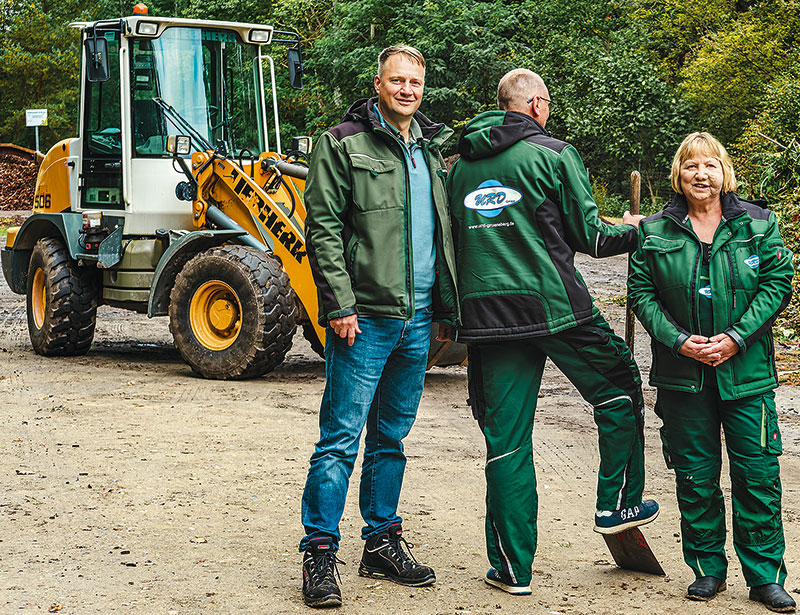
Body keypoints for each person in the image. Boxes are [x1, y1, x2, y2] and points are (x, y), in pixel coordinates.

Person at [445, 68, 659, 595]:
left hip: (487, 317)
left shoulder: (456, 166)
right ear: (538, 105)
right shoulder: (553, 153)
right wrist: (635, 229)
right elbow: (590, 236)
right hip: (553, 308)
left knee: (506, 441)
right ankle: (617, 502)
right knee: (619, 389)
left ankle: (512, 571)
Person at [299, 45, 459, 608]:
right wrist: (338, 305)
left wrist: (444, 309)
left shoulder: (432, 150)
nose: (407, 90)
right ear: (378, 83)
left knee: (391, 438)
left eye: (416, 81)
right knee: (340, 439)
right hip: (363, 318)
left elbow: (441, 234)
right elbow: (321, 229)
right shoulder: (344, 142)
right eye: (398, 80)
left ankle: (380, 541)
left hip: (417, 319)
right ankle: (319, 553)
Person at [628, 132, 795, 611]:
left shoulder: (758, 224)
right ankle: (707, 568)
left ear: (725, 172)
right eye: (691, 166)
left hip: (747, 374)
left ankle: (764, 575)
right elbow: (641, 293)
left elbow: (777, 283)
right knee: (696, 476)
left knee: (757, 475)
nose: (701, 175)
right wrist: (680, 341)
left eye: (711, 166)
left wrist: (736, 337)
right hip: (683, 376)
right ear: (678, 175)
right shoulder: (656, 230)